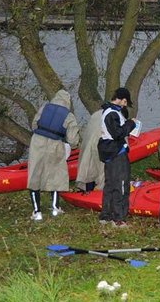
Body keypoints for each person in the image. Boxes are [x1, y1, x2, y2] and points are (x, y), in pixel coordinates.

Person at [27, 89, 80, 221]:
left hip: (37, 142)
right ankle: (55, 208)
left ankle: (36, 212)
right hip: (55, 144)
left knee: (34, 174)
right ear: (68, 101)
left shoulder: (44, 107)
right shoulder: (69, 116)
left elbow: (34, 124)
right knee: (56, 174)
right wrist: (74, 146)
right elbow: (73, 140)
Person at [97, 87, 137, 227]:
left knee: (110, 185)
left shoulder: (107, 111)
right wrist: (131, 124)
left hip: (109, 153)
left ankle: (106, 216)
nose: (125, 105)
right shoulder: (112, 114)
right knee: (121, 185)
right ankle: (119, 219)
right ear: (121, 99)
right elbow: (117, 134)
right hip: (117, 153)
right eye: (125, 102)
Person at [75, 110, 104, 192]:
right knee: (101, 172)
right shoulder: (114, 115)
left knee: (89, 171)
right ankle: (97, 193)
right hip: (101, 147)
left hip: (89, 145)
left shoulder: (95, 114)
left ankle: (87, 191)